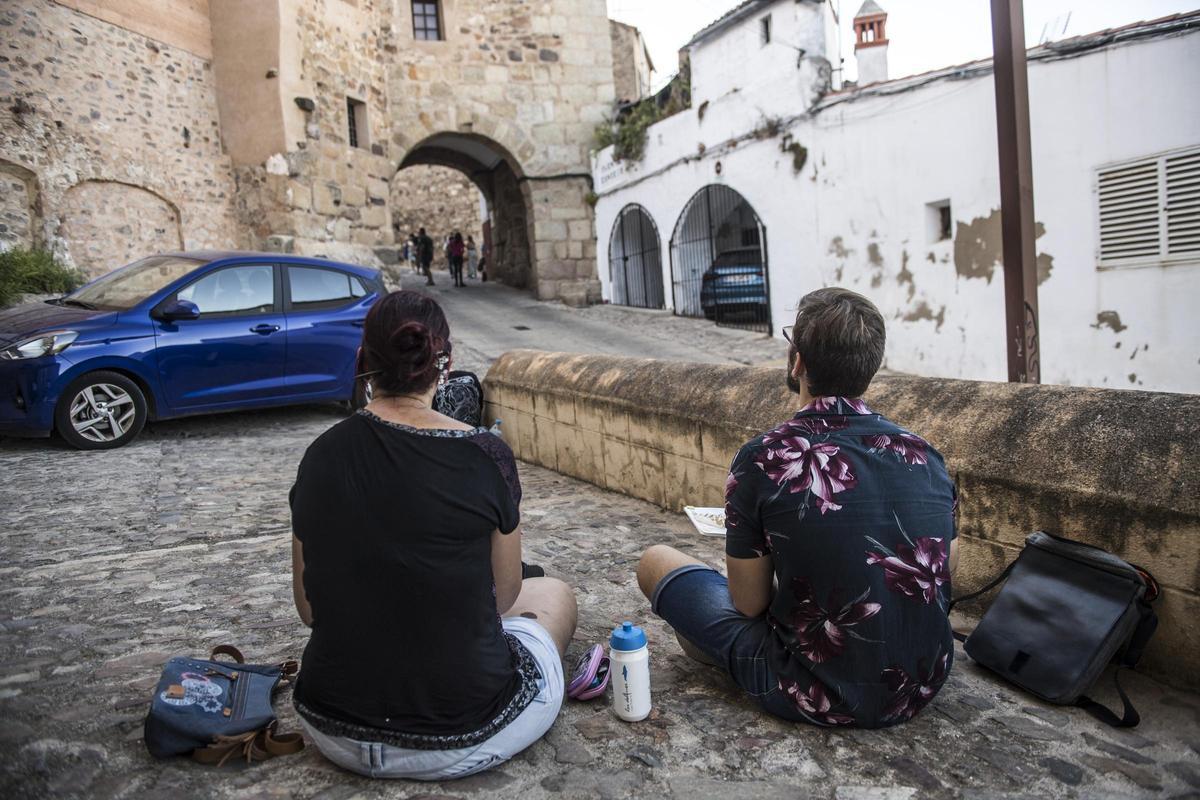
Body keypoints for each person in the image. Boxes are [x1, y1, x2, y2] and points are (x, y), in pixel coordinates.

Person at [636, 287, 958, 729]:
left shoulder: (763, 457)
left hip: (810, 690)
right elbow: (943, 573)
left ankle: (727, 658)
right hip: (918, 686)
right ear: (871, 365)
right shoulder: (925, 455)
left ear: (798, 362)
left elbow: (749, 605)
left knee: (656, 563)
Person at [290, 290, 577, 779]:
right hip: (460, 736)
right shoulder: (485, 453)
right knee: (552, 595)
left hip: (331, 726)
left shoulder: (320, 454)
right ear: (444, 363)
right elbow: (504, 597)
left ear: (364, 361)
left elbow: (308, 608)